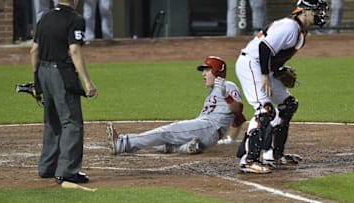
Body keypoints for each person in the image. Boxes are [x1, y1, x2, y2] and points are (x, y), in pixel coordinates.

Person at [235, 0, 328, 173]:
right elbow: (264, 48)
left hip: (263, 67)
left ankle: (274, 155)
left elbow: (274, 55)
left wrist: (277, 71)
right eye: (317, 11)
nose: (320, 15)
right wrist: (264, 75)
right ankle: (248, 160)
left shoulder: (300, 31)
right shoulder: (290, 27)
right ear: (304, 12)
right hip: (252, 64)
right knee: (265, 109)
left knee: (288, 104)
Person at [106, 56, 246, 155]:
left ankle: (123, 143)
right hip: (207, 129)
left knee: (168, 131)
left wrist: (226, 95)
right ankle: (185, 148)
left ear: (217, 71)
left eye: (207, 70)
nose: (203, 74)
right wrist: (229, 139)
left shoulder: (228, 86)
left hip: (209, 127)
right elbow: (238, 118)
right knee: (161, 144)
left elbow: (237, 110)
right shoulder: (213, 92)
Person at [30, 0, 98, 184]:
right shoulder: (75, 19)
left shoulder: (44, 17)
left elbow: (34, 50)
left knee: (52, 120)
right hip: (61, 73)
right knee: (72, 122)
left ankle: (47, 167)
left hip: (43, 70)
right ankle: (67, 171)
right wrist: (87, 81)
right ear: (74, 0)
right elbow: (74, 50)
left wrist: (37, 78)